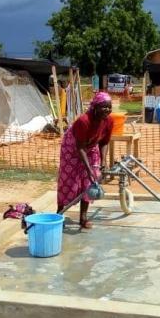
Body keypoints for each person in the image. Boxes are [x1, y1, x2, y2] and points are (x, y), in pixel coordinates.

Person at [56, 91, 114, 229]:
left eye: (109, 107)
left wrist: (103, 162)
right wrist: (88, 169)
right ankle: (59, 213)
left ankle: (83, 217)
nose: (107, 110)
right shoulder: (84, 121)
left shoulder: (109, 121)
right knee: (68, 180)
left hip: (91, 145)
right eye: (103, 106)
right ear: (95, 107)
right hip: (72, 148)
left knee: (89, 183)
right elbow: (79, 147)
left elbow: (104, 142)